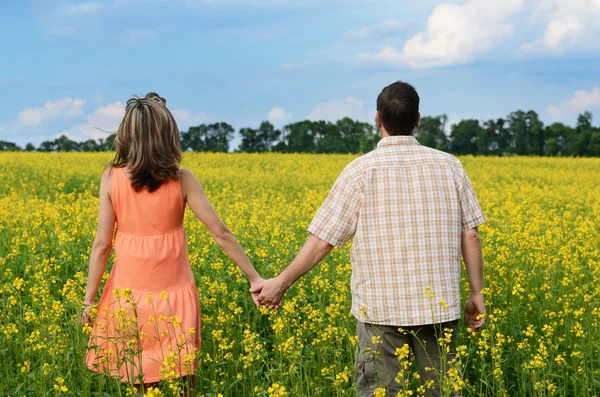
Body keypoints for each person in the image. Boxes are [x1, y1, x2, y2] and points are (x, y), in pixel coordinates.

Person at [253, 81, 486, 396]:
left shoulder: (359, 172)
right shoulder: (451, 167)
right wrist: (476, 293)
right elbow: (470, 235)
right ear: (418, 119)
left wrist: (279, 283)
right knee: (444, 390)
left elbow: (323, 240)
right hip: (438, 310)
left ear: (378, 119)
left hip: (380, 310)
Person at [81, 92, 263, 395]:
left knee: (138, 378)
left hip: (127, 299)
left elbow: (102, 245)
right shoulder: (183, 179)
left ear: (125, 136)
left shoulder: (111, 178)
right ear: (168, 135)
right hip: (176, 299)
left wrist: (89, 300)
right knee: (183, 380)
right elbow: (220, 233)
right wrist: (254, 277)